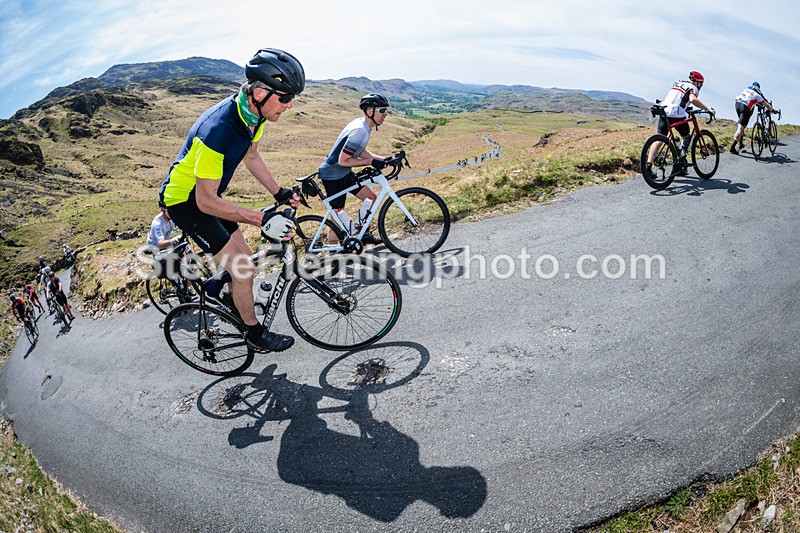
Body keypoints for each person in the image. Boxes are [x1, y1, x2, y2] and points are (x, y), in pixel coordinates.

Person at [158, 47, 302, 353]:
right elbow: (205, 202)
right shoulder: (219, 130)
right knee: (243, 268)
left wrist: (279, 192)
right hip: (186, 203)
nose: (290, 105)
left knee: (245, 256)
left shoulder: (253, 114)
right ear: (261, 92)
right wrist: (260, 217)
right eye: (286, 97)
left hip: (207, 196)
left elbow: (252, 155)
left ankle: (215, 286)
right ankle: (254, 333)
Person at [317, 93, 391, 245]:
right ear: (370, 112)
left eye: (385, 111)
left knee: (370, 198)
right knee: (337, 215)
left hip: (343, 172)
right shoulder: (359, 131)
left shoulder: (364, 126)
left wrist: (383, 159)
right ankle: (334, 254)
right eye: (382, 111)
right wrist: (371, 161)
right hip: (332, 175)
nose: (386, 114)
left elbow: (360, 152)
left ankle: (362, 234)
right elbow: (343, 161)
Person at [645, 71, 714, 177]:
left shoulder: (678, 82)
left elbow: (679, 98)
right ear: (698, 83)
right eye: (701, 84)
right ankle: (680, 163)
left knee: (660, 138)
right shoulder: (693, 87)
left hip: (664, 110)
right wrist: (707, 108)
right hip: (676, 113)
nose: (700, 86)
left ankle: (648, 166)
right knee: (686, 136)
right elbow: (692, 99)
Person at [730, 81, 779, 154]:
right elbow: (767, 105)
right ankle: (732, 147)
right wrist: (773, 110)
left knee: (741, 125)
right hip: (745, 106)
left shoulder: (747, 89)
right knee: (741, 127)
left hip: (737, 103)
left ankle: (740, 143)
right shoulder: (758, 95)